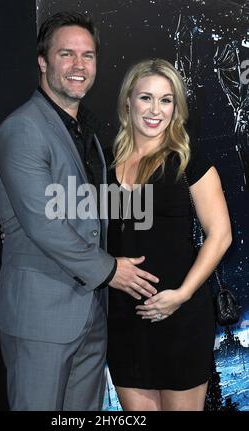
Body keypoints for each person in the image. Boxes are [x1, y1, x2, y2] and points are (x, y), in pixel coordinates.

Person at [0, 12, 158, 411]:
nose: (79, 66)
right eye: (67, 54)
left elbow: (93, 214)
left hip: (90, 314)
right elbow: (44, 223)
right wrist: (113, 270)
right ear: (43, 62)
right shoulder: (23, 130)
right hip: (40, 317)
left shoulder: (88, 135)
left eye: (88, 55)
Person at [106, 59, 232, 411]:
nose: (155, 110)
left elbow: (220, 235)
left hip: (179, 317)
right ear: (128, 101)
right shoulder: (102, 163)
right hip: (123, 321)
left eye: (166, 100)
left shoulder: (189, 160)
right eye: (146, 98)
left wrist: (181, 294)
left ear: (176, 107)